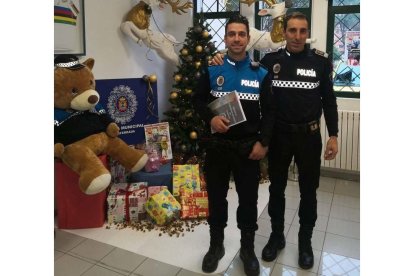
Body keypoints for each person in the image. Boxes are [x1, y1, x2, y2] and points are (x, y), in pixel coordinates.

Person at [211, 12, 339, 270]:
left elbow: (329, 100)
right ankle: (276, 236)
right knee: (276, 190)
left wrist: (333, 135)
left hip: (309, 138)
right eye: (292, 30)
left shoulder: (321, 63)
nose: (297, 36)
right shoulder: (270, 62)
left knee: (308, 192)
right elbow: (239, 62)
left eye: (302, 31)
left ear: (307, 33)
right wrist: (217, 57)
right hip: (279, 138)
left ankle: (305, 243)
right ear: (285, 32)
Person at [192, 14, 275, 276]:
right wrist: (211, 118)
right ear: (225, 38)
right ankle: (215, 246)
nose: (237, 39)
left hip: (247, 150)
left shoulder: (260, 73)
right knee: (216, 199)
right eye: (232, 34)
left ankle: (247, 249)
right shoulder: (212, 69)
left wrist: (263, 143)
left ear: (248, 39)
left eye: (241, 34)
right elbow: (196, 101)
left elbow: (271, 113)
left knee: (248, 202)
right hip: (217, 147)